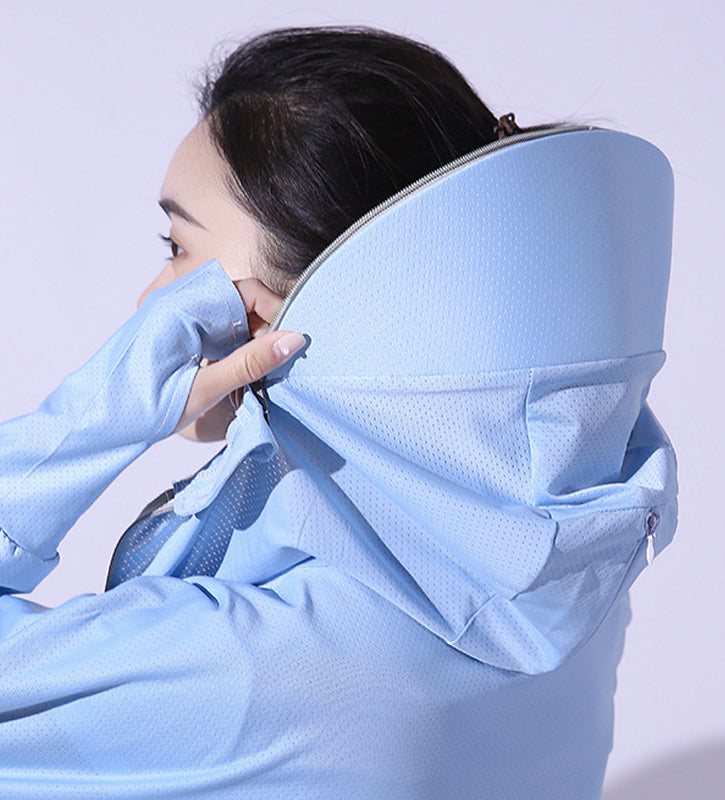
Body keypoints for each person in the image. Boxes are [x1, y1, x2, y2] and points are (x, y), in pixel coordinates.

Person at [0, 27, 677, 799]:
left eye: (178, 248)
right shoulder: (569, 589)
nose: (150, 300)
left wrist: (95, 416)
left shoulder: (259, 667)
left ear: (276, 310)